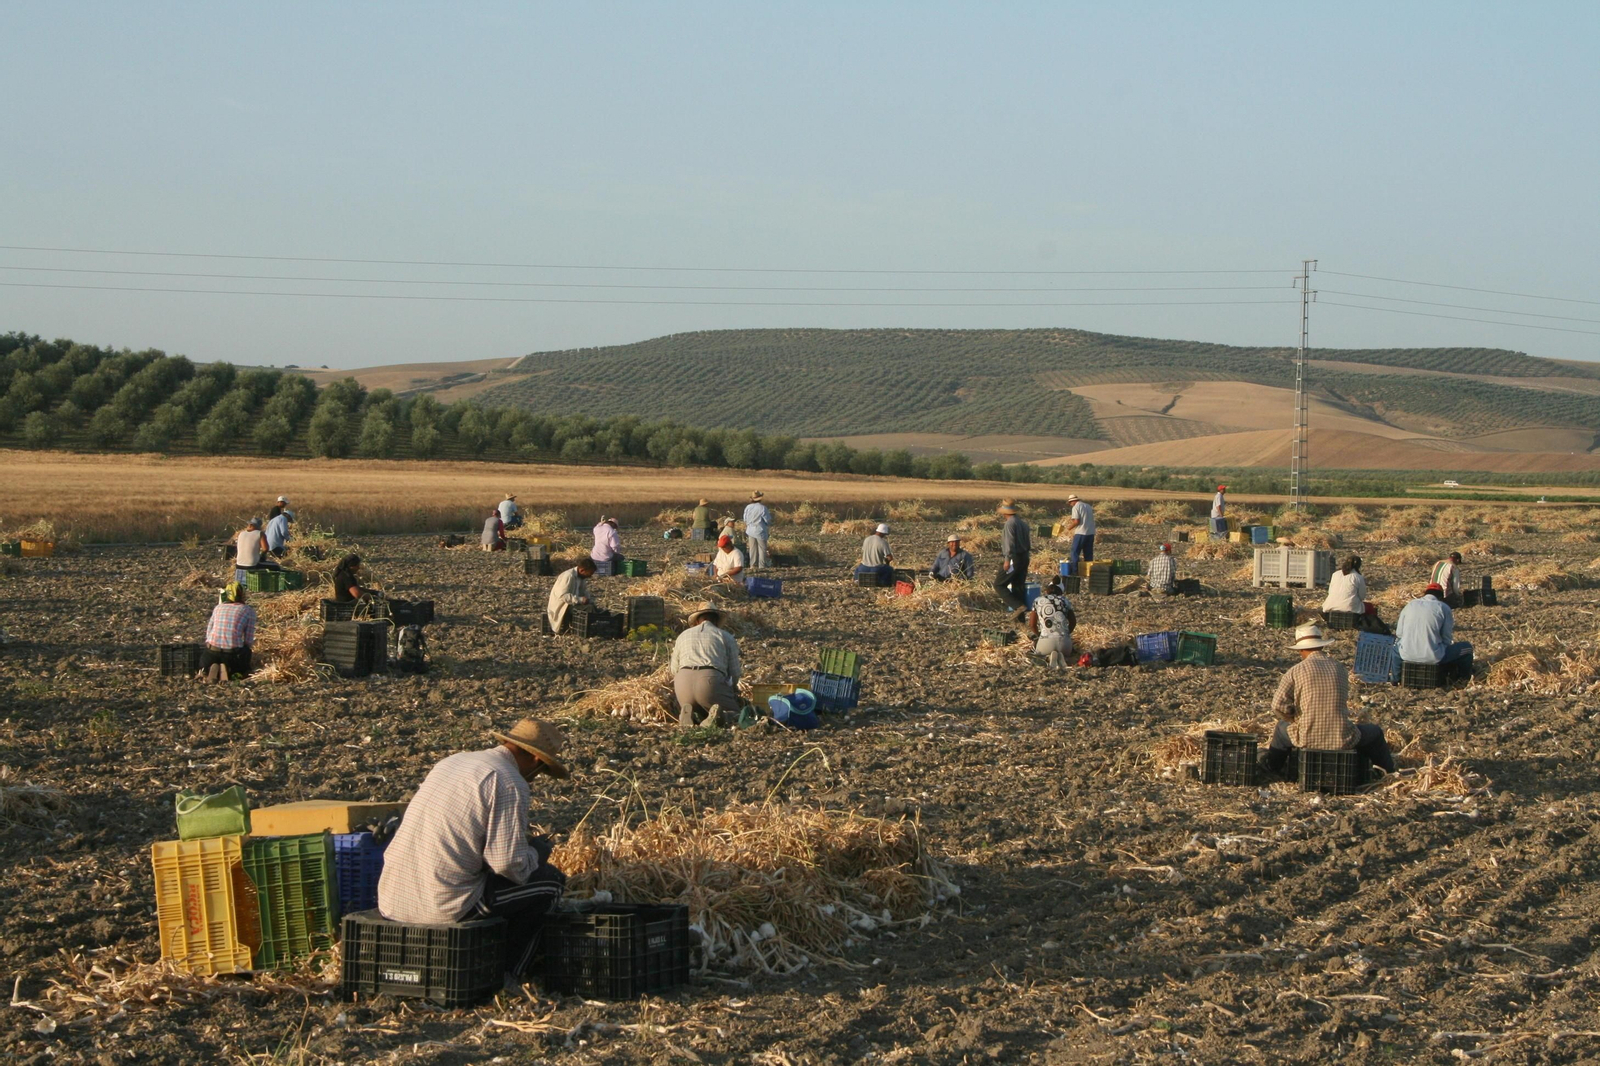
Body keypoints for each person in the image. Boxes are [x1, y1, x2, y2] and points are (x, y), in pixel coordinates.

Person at [378, 718, 570, 983]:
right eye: (542, 771)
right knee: (549, 883)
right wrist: (536, 853)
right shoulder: (510, 781)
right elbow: (507, 865)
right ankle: (509, 976)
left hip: (392, 898)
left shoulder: (453, 762)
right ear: (537, 761)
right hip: (441, 906)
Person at [1261, 623, 1396, 779]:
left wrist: (1293, 718)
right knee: (1375, 732)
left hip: (1306, 738)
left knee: (1280, 728)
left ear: (1301, 650)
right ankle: (1387, 773)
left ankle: (1273, 767)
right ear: (1321, 646)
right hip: (1343, 737)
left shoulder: (1295, 671)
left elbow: (1277, 705)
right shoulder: (1339, 668)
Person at [670, 602, 743, 728]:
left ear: (697, 620)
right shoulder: (725, 636)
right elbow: (735, 673)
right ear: (715, 619)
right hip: (710, 682)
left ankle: (690, 714)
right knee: (736, 715)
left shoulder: (683, 636)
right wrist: (731, 691)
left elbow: (673, 670)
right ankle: (721, 717)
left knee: (700, 707)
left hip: (682, 684)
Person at [1395, 583, 1473, 679]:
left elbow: (1399, 633)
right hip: (1433, 657)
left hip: (1407, 655)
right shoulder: (1443, 607)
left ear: (1425, 593)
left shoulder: (1410, 605)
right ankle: (1464, 678)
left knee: (1395, 649)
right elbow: (1446, 638)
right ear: (1440, 596)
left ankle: (1395, 679)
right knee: (1467, 648)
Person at [202, 581, 257, 682]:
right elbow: (248, 641)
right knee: (246, 652)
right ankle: (229, 670)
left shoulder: (218, 608)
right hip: (232, 655)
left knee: (209, 655)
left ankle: (210, 669)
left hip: (211, 653)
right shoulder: (248, 611)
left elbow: (208, 632)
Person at [1322, 555, 1389, 634]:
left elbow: (1330, 591)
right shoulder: (1358, 577)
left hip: (1330, 606)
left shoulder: (1335, 574)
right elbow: (1362, 596)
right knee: (1370, 607)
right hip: (1351, 608)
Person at [1028, 577, 1077, 670]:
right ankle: (1063, 657)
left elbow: (1032, 625)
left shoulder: (1038, 601)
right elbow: (1073, 622)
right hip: (1065, 644)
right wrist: (1066, 633)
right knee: (1071, 653)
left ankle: (1047, 658)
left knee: (1035, 656)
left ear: (1047, 591)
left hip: (1046, 642)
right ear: (1061, 592)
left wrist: (1039, 635)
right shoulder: (1065, 601)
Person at [993, 502, 1031, 613]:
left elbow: (1009, 543)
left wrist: (1007, 560)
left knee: (999, 584)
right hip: (1024, 557)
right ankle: (1020, 620)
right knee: (1018, 587)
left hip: (1014, 558)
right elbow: (1028, 544)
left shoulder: (1010, 524)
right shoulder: (1023, 524)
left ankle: (1018, 606)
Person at [546, 558, 596, 634]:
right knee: (590, 609)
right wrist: (580, 600)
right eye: (589, 573)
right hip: (563, 606)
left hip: (571, 603)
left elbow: (583, 592)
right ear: (582, 570)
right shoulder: (568, 576)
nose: (590, 576)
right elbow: (563, 596)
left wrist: (588, 600)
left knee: (592, 607)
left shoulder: (581, 578)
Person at [1064, 494, 1095, 576]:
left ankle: (1075, 571)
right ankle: (1089, 571)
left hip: (1081, 532)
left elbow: (1076, 521)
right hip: (1091, 532)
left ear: (1072, 501)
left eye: (1070, 503)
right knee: (1088, 553)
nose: (1070, 505)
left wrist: (1068, 528)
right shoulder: (1088, 506)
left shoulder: (1076, 507)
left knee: (1075, 552)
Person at [234, 517, 270, 583]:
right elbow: (265, 548)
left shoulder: (241, 533)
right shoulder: (260, 534)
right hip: (251, 565)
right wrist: (262, 556)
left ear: (249, 525)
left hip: (239, 565)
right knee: (275, 566)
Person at [742, 491, 772, 570]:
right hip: (760, 530)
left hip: (750, 530)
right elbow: (767, 520)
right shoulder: (763, 508)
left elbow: (745, 519)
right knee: (762, 549)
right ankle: (762, 566)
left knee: (752, 549)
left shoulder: (748, 507)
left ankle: (753, 565)